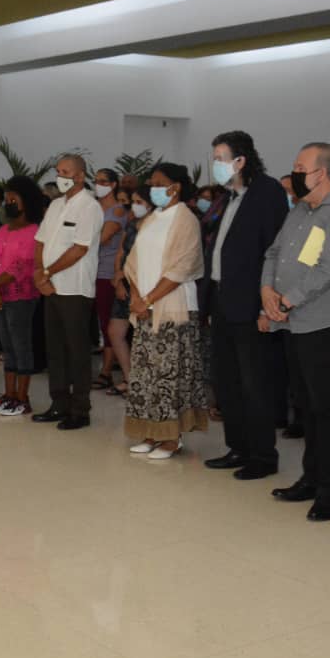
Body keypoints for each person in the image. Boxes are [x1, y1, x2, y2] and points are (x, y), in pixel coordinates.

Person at [263, 142, 330, 522]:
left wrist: (285, 301)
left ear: (321, 172)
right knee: (306, 405)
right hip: (296, 320)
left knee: (328, 410)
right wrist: (267, 293)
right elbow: (274, 253)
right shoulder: (301, 209)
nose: (294, 172)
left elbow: (328, 269)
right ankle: (311, 477)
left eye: (299, 166)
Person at [201, 130, 288, 478]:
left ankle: (263, 456)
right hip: (222, 300)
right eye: (214, 157)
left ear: (241, 160)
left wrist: (268, 306)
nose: (216, 164)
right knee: (227, 381)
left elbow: (275, 252)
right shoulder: (228, 197)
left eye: (221, 157)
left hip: (252, 303)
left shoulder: (267, 193)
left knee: (255, 384)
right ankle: (237, 447)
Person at [124, 163, 208, 458]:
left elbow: (181, 268)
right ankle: (149, 433)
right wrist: (136, 296)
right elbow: (132, 263)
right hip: (145, 306)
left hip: (173, 308)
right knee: (145, 375)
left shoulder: (185, 219)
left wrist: (147, 300)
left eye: (159, 183)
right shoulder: (152, 218)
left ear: (176, 187)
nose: (153, 187)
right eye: (151, 182)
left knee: (168, 376)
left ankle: (171, 438)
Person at [33, 155, 104, 430]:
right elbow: (40, 241)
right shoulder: (54, 205)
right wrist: (40, 273)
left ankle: (80, 410)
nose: (60, 176)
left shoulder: (89, 207)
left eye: (66, 172)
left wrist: (47, 272)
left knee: (76, 350)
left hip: (75, 288)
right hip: (50, 287)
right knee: (55, 349)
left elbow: (80, 248)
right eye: (58, 171)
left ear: (80, 175)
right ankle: (58, 403)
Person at [0, 176, 43, 416]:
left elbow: (22, 266)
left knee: (21, 346)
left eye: (13, 199)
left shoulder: (34, 231)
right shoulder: (3, 230)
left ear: (26, 202)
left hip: (21, 296)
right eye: (6, 199)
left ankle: (22, 398)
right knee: (6, 347)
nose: (8, 203)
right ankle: (8, 394)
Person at [106, 186, 152, 400]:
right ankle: (129, 378)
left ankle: (145, 382)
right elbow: (122, 251)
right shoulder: (132, 224)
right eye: (133, 202)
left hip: (145, 289)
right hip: (124, 285)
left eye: (139, 202)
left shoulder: (155, 227)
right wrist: (118, 277)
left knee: (144, 338)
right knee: (115, 332)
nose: (134, 206)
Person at [92, 168, 126, 390]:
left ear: (113, 185)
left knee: (107, 323)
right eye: (96, 181)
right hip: (90, 271)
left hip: (106, 272)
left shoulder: (118, 211)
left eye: (103, 181)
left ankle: (106, 371)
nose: (98, 185)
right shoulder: (94, 208)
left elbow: (100, 239)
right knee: (98, 322)